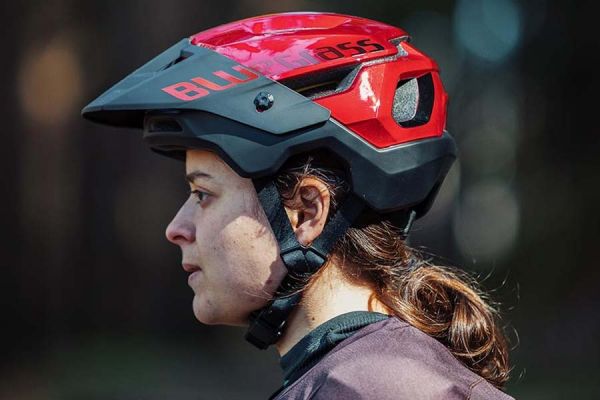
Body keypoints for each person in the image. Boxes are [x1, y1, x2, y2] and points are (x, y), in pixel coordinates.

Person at [82, 12, 515, 400]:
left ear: (307, 212)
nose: (176, 228)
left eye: (203, 195)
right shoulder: (375, 375)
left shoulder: (366, 388)